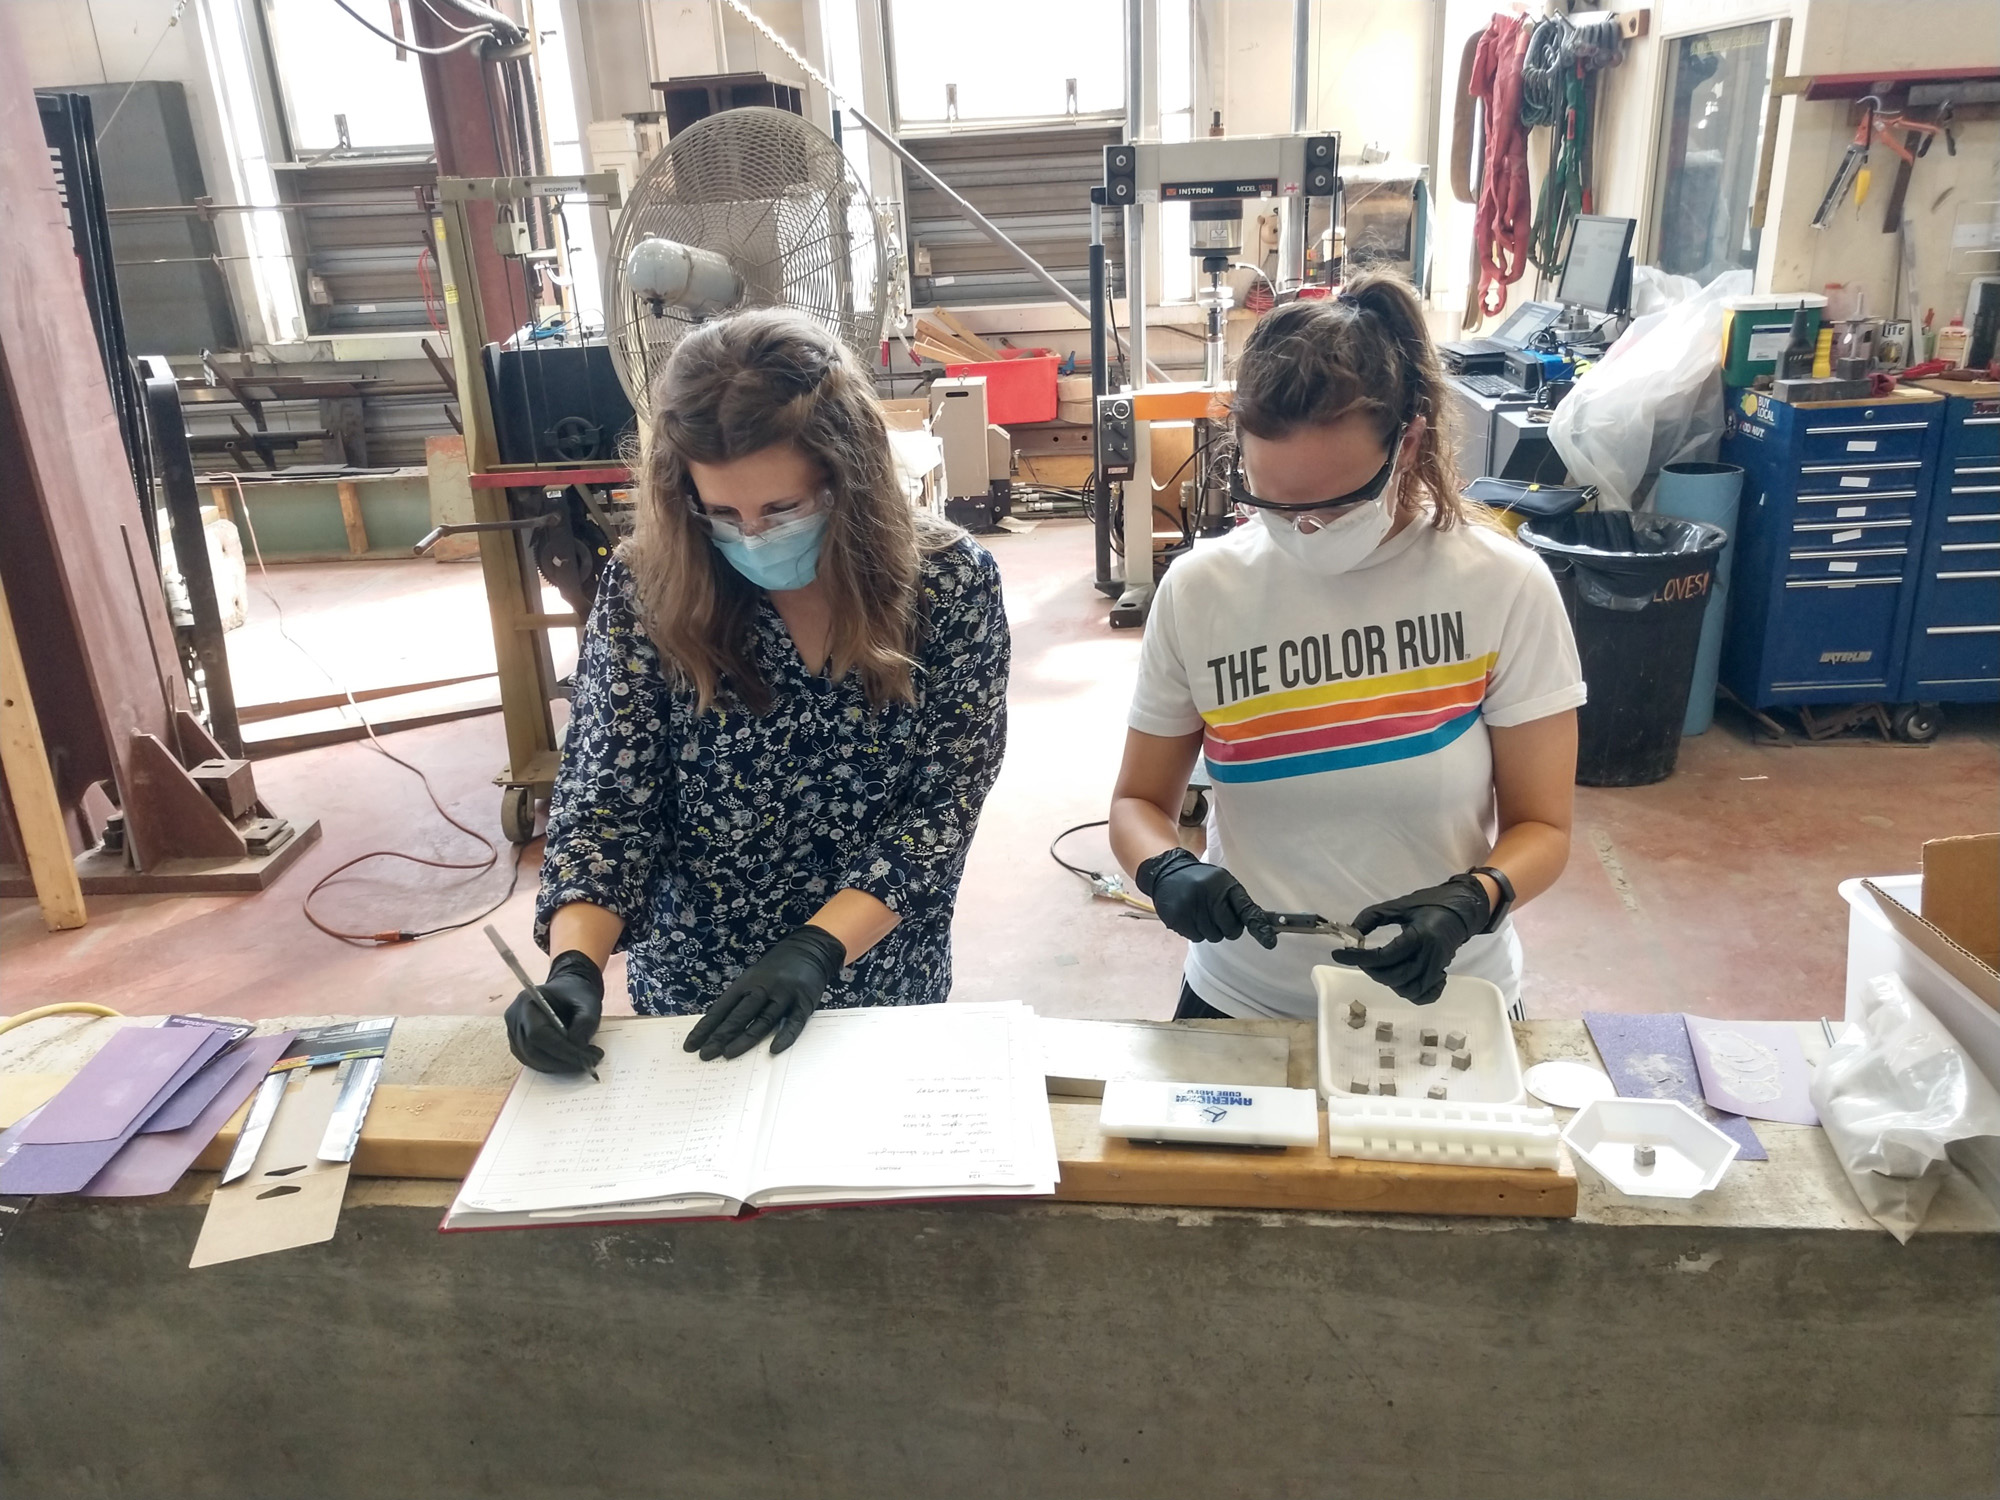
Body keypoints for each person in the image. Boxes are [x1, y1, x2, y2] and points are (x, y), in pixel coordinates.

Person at [505, 308, 1009, 1072]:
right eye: (722, 514)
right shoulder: (648, 587)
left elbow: (943, 806)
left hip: (877, 974)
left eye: (782, 509)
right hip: (695, 993)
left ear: (850, 482)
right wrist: (575, 965)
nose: (752, 535)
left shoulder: (948, 584)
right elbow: (607, 796)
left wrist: (816, 948)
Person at [1108, 273, 1583, 1021]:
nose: (1305, 528)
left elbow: (1544, 827)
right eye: (1274, 501)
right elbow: (1138, 801)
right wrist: (1165, 867)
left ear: (1410, 440)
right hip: (1245, 1000)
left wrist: (1473, 899)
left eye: (1337, 501)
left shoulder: (1502, 586)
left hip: (1444, 999)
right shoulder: (1201, 592)